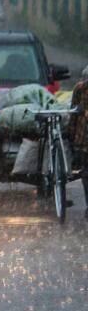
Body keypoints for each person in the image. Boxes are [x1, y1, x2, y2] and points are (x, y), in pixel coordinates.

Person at [68, 65, 88, 219]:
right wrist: (71, 136)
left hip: (82, 140)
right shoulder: (80, 90)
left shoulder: (79, 89)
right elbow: (73, 114)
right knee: (86, 173)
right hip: (83, 140)